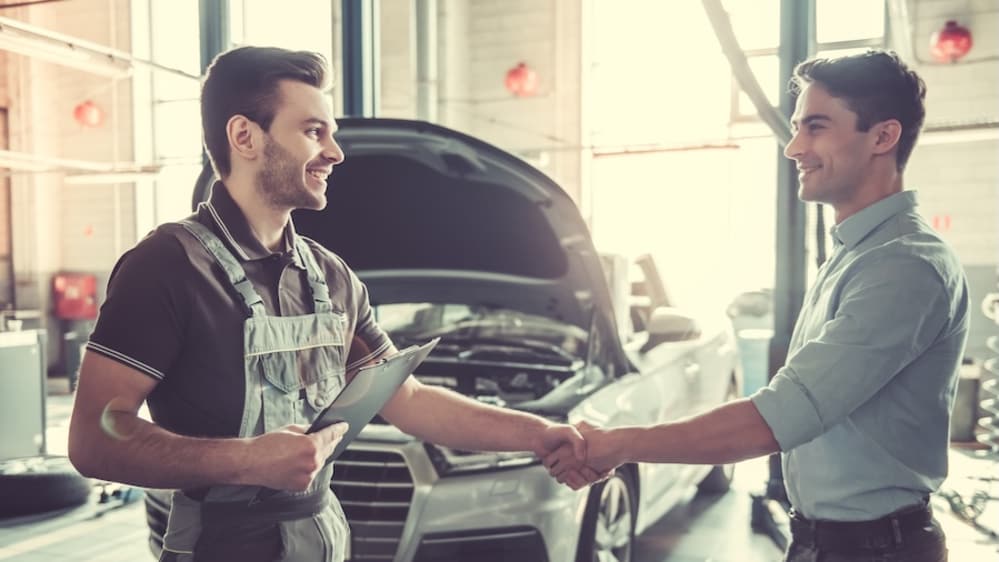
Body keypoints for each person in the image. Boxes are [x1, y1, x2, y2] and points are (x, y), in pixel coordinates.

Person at [68, 46, 592, 562]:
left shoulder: (330, 277)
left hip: (323, 538)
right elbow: (94, 437)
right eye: (314, 131)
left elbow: (408, 399)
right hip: (219, 547)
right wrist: (243, 460)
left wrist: (538, 432)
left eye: (332, 134)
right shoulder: (167, 266)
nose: (336, 153)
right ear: (245, 136)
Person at [545, 50, 968, 562]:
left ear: (883, 137)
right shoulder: (858, 254)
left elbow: (778, 418)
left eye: (815, 127)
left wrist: (617, 443)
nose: (794, 148)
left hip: (875, 551)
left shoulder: (902, 266)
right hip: (831, 543)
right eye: (796, 127)